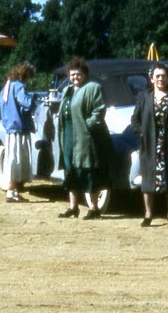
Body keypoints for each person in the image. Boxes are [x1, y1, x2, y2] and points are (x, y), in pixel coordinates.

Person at [130, 62, 168, 227]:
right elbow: (135, 119)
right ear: (151, 78)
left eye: (163, 76)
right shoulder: (144, 96)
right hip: (150, 145)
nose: (160, 79)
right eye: (157, 76)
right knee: (148, 180)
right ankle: (148, 215)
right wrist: (141, 132)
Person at [57, 58, 110, 220]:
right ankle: (73, 208)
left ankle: (94, 208)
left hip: (85, 137)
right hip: (68, 136)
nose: (75, 77)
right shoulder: (67, 90)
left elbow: (99, 110)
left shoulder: (93, 88)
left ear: (85, 74)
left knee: (87, 171)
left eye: (78, 74)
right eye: (72, 74)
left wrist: (88, 125)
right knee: (70, 170)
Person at [0, 62, 37, 203]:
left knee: (11, 159)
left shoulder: (6, 87)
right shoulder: (19, 86)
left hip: (9, 128)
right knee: (17, 160)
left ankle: (13, 191)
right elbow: (26, 103)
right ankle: (11, 191)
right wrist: (34, 99)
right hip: (19, 129)